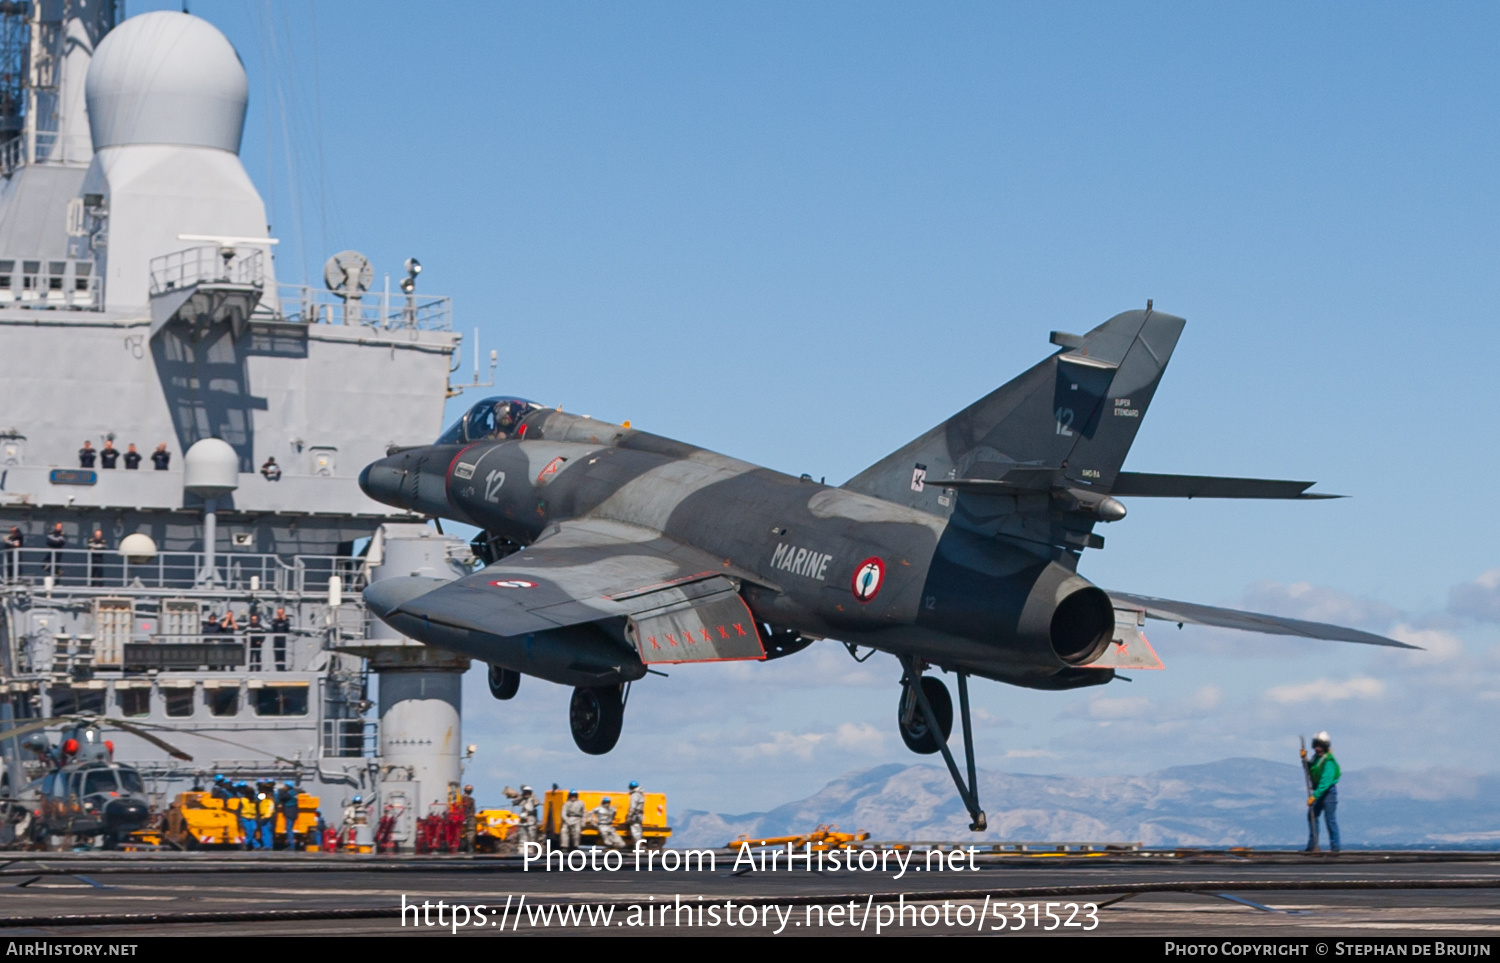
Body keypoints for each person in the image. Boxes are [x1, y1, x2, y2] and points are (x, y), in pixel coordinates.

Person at [1303, 731, 1341, 853]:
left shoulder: (1328, 761)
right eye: (1316, 745)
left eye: (1320, 746)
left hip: (1328, 792)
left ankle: (1335, 848)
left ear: (1325, 747)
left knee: (1330, 819)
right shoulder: (1316, 759)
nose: (1317, 748)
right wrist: (1304, 760)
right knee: (1312, 816)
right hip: (1319, 792)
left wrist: (1314, 797)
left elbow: (1325, 783)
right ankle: (1313, 846)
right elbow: (1310, 771)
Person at [626, 781, 645, 849]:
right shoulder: (641, 794)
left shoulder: (635, 795)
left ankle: (637, 847)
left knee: (635, 831)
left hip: (635, 816)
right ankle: (639, 845)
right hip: (639, 815)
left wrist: (629, 815)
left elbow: (633, 806)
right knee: (638, 831)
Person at [460, 784, 477, 854]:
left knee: (463, 832)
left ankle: (465, 846)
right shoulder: (470, 800)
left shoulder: (460, 798)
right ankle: (469, 847)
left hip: (462, 817)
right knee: (471, 831)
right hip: (468, 817)